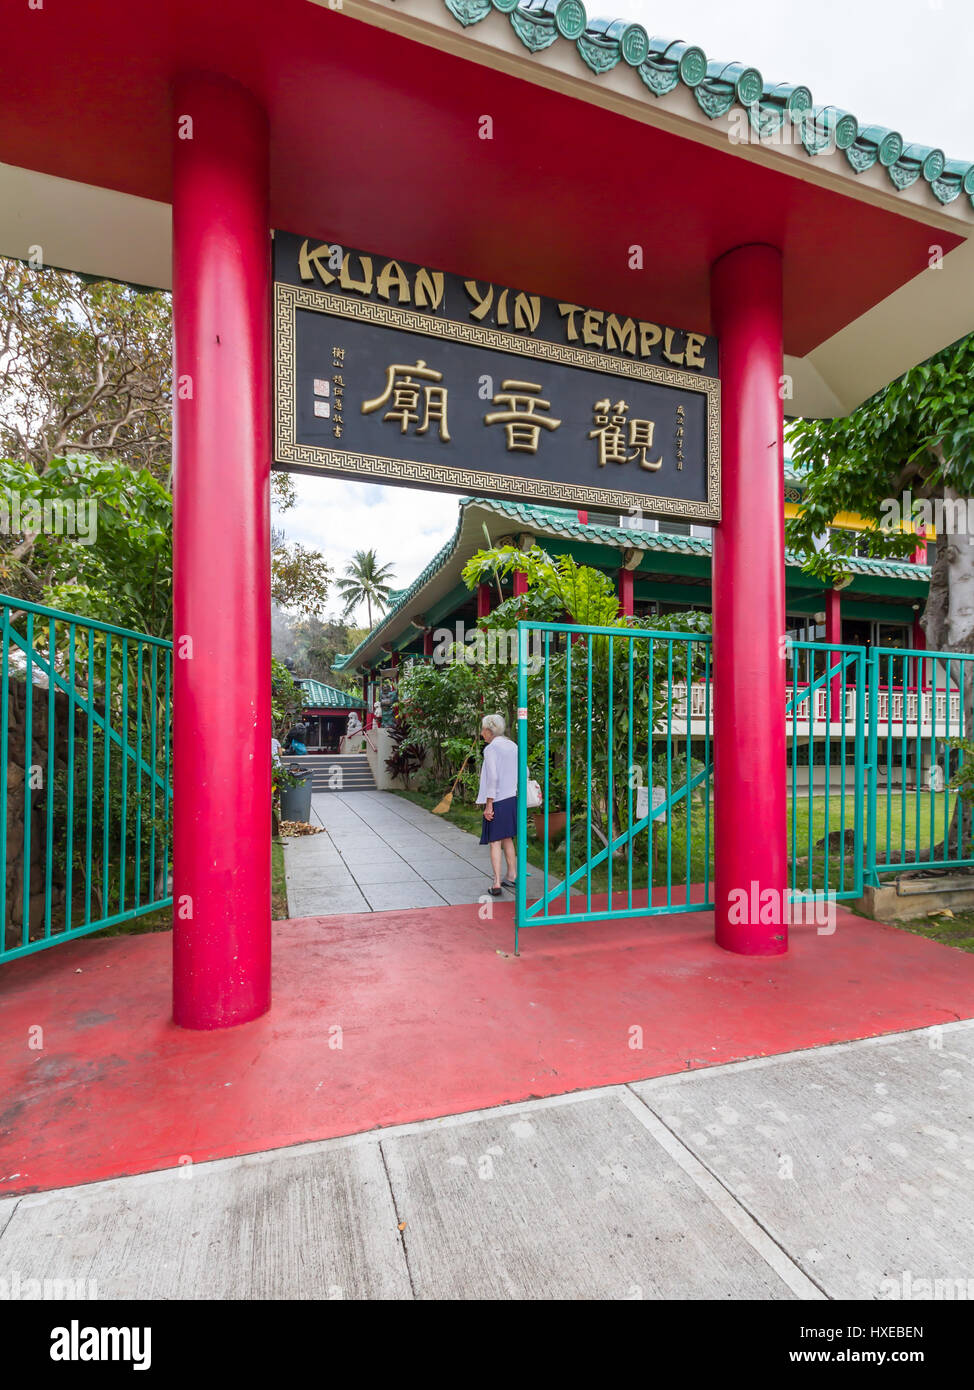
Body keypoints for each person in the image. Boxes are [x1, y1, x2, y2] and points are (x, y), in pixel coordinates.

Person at [476, 712, 518, 896]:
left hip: (498, 799)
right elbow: (523, 770)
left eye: (483, 729)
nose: (481, 733)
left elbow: (492, 778)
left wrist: (489, 804)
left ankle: (496, 883)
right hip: (512, 798)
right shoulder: (513, 746)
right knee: (508, 838)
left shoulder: (491, 749)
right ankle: (512, 875)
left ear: (488, 730)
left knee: (495, 842)